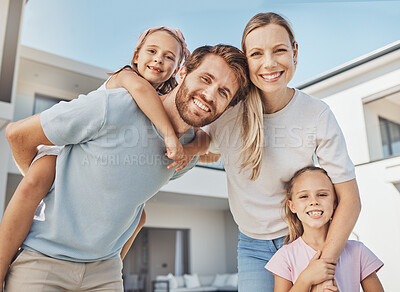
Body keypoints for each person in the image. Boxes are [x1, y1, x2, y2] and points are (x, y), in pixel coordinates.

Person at [4, 44, 249, 291]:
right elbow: (18, 135)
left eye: (223, 92)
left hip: (104, 273)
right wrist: (43, 182)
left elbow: (129, 201)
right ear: (183, 73)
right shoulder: (114, 106)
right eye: (205, 79)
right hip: (44, 262)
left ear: (226, 108)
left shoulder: (186, 156)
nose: (208, 94)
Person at [199, 12, 361, 291]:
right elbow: (207, 150)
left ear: (294, 51)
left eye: (279, 50)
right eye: (257, 54)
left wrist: (323, 266)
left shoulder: (316, 114)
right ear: (245, 59)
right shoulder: (227, 112)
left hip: (302, 238)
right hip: (251, 245)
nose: (269, 63)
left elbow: (350, 200)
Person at [265, 166, 384, 291]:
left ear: (334, 203)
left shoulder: (358, 251)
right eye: (304, 196)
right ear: (292, 206)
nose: (314, 201)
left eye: (322, 194)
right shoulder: (285, 257)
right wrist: (306, 279)